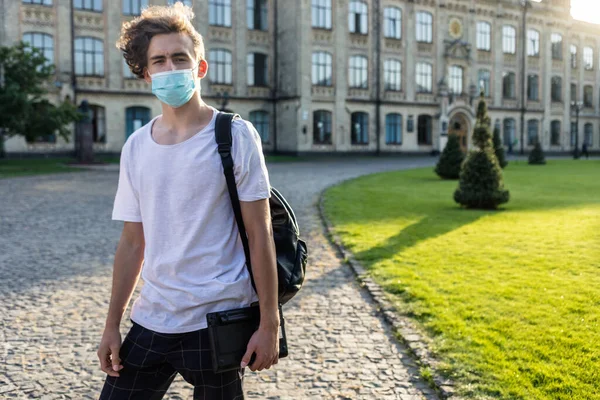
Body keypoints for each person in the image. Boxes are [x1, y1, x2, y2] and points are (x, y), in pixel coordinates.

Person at [97, 3, 279, 399]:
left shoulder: (235, 135)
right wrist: (112, 324)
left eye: (180, 57)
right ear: (146, 73)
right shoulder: (136, 147)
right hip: (153, 317)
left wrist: (269, 324)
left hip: (218, 319)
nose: (170, 67)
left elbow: (259, 233)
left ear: (200, 67)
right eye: (159, 60)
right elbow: (132, 243)